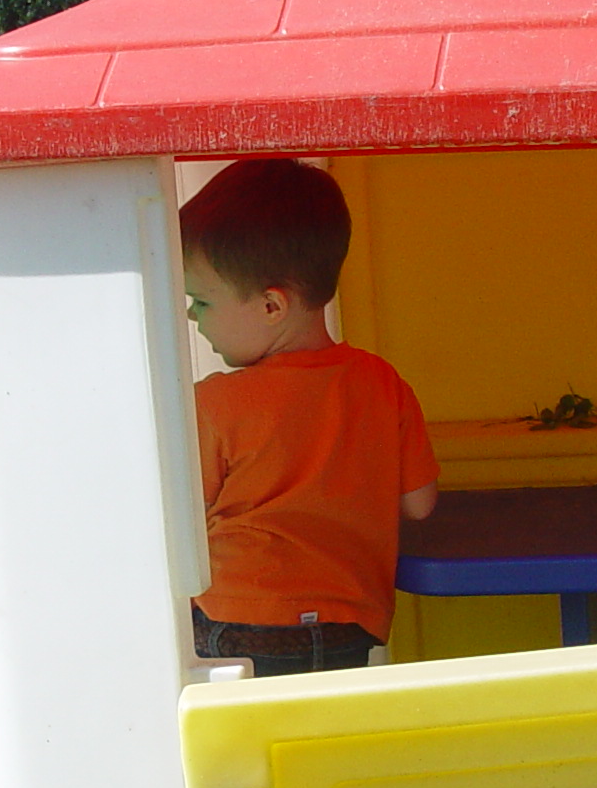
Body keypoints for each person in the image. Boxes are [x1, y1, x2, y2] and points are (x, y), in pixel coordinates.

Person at [182, 159, 438, 675]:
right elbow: (420, 504)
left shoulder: (213, 404)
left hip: (236, 618)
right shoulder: (384, 384)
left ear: (272, 306)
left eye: (202, 300)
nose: (191, 315)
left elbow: (178, 521)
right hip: (350, 624)